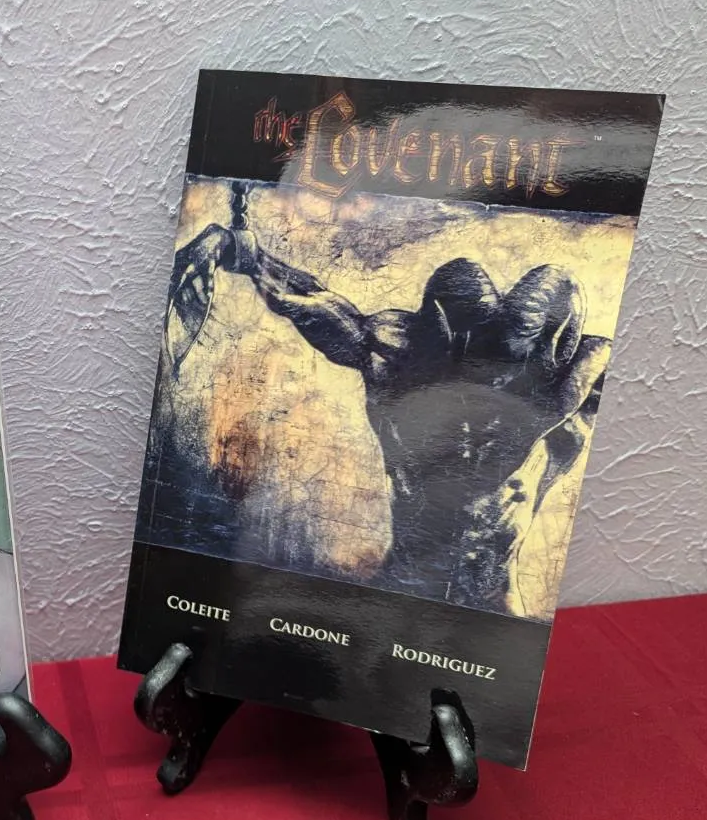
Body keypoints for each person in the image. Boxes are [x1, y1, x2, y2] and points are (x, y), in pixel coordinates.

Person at [166, 221, 607, 616]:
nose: (486, 384)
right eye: (473, 362)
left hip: (492, 606)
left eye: (503, 371)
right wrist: (236, 247)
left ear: (543, 355)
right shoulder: (396, 362)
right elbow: (309, 299)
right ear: (450, 340)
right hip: (400, 588)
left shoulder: (574, 392)